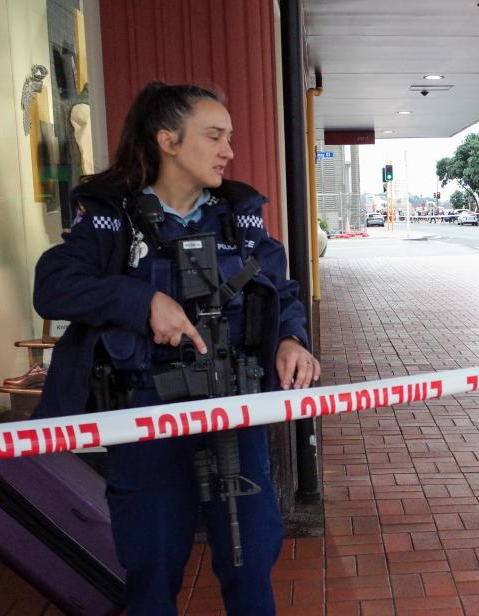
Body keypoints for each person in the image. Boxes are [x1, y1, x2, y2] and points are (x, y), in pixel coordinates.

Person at [32, 81, 320, 615]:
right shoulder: (111, 216)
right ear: (167, 140)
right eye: (214, 136)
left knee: (251, 553)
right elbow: (54, 286)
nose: (228, 150)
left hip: (233, 406)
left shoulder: (239, 214)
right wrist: (142, 302)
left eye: (229, 137)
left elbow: (280, 290)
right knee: (152, 560)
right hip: (146, 415)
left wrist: (290, 338)